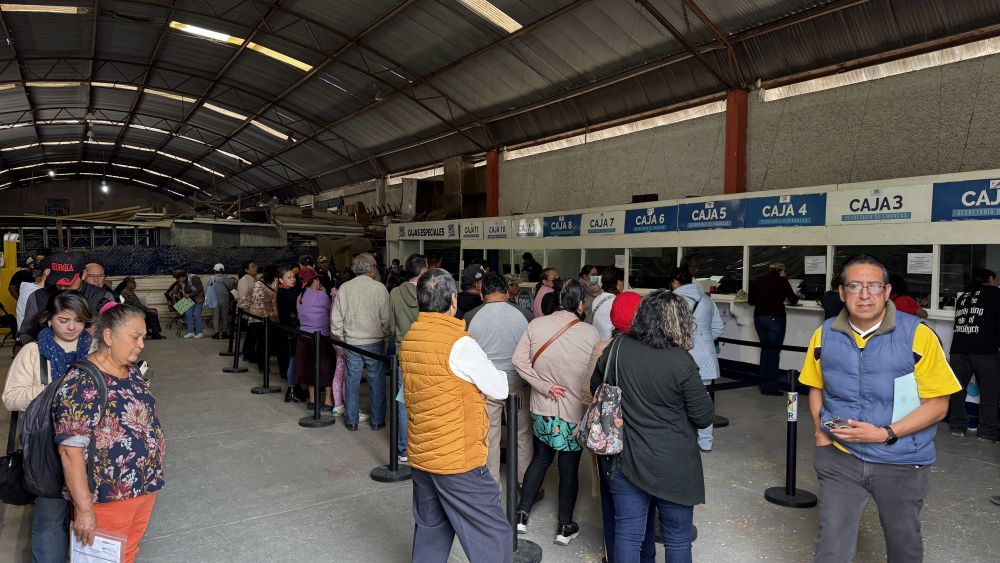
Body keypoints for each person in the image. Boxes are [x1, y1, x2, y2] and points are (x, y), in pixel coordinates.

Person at [798, 255, 960, 563]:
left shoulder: (918, 335)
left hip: (902, 460)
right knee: (831, 548)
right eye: (855, 286)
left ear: (887, 292)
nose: (864, 294)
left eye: (873, 286)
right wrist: (821, 434)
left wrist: (885, 433)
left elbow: (939, 405)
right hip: (840, 457)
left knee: (904, 546)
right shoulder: (825, 334)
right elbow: (815, 385)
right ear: (841, 293)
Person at [399, 268, 512, 563]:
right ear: (453, 301)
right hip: (456, 458)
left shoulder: (411, 337)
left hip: (423, 455)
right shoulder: (459, 344)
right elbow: (499, 387)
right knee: (493, 533)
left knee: (431, 529)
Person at [593, 290, 715, 563]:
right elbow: (704, 416)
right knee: (677, 538)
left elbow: (596, 389)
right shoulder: (680, 361)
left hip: (624, 458)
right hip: (673, 464)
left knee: (627, 534)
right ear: (679, 321)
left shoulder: (618, 347)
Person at [54, 303, 165, 563]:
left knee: (126, 553)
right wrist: (84, 509)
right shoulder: (83, 382)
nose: (141, 345)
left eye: (143, 338)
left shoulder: (133, 371)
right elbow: (70, 451)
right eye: (135, 337)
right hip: (107, 497)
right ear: (108, 337)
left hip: (142, 486)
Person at [2, 291, 93, 563]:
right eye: (63, 320)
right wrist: (51, 391)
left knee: (90, 512)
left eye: (78, 320)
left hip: (91, 446)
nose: (71, 327)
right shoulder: (32, 352)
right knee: (50, 518)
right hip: (48, 449)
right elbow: (10, 397)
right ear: (49, 320)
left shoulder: (96, 349)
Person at [513, 279, 600, 545]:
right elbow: (593, 376)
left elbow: (518, 360)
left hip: (543, 407)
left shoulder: (536, 325)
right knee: (569, 468)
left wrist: (544, 385)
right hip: (574, 412)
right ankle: (564, 527)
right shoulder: (590, 333)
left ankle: (521, 516)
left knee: (540, 459)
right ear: (580, 303)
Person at [582, 291, 652, 563]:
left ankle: (614, 554)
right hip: (645, 440)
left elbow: (589, 393)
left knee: (613, 504)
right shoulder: (655, 349)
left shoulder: (603, 348)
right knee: (646, 501)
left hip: (611, 438)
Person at [464, 272, 535, 489]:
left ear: (482, 293)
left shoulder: (469, 317)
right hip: (518, 382)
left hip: (486, 386)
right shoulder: (525, 315)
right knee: (522, 433)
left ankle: (491, 483)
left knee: (490, 434)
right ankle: (525, 481)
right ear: (506, 290)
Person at [330, 253, 391, 432]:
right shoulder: (380, 288)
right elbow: (386, 320)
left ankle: (351, 420)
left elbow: (336, 320)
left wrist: (342, 338)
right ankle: (378, 421)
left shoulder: (345, 288)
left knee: (351, 381)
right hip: (375, 342)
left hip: (352, 343)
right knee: (377, 382)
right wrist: (386, 336)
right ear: (372, 268)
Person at [670, 267, 725, 452]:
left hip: (681, 356)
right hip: (706, 358)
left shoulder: (673, 301)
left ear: (675, 282)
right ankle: (706, 441)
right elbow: (718, 327)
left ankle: (682, 439)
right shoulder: (707, 300)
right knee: (704, 399)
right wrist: (705, 340)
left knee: (677, 397)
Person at [948, 268, 1000, 442]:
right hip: (985, 350)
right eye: (995, 279)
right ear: (990, 279)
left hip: (959, 348)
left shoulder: (963, 297)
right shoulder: (995, 293)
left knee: (957, 390)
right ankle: (987, 432)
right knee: (989, 393)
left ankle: (957, 427)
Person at [18, 253, 113, 346]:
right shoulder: (38, 297)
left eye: (68, 282)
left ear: (83, 274)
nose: (63, 287)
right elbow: (26, 333)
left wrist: (94, 335)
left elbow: (115, 332)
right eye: (58, 281)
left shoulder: (102, 297)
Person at [389, 254, 427, 461]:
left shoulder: (394, 293)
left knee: (403, 400)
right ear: (422, 271)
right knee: (426, 399)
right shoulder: (428, 292)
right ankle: (424, 444)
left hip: (402, 351)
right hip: (424, 352)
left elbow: (388, 322)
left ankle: (404, 448)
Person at [748, 262, 802, 395]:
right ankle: (771, 388)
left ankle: (763, 385)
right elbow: (793, 299)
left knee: (765, 351)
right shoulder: (782, 281)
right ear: (781, 271)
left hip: (759, 318)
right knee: (773, 353)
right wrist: (799, 295)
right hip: (775, 319)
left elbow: (751, 301)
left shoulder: (758, 280)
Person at [296, 268, 342, 412]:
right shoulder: (322, 296)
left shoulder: (300, 297)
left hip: (304, 337)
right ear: (314, 280)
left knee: (310, 368)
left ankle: (312, 400)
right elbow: (331, 312)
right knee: (326, 368)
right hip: (322, 337)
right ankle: (328, 400)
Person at [245, 265, 278, 374]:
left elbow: (245, 302)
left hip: (255, 318)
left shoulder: (256, 284)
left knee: (260, 343)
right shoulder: (277, 283)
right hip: (270, 318)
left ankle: (262, 366)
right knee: (267, 344)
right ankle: (265, 366)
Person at [275, 265, 300, 401]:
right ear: (281, 280)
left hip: (293, 330)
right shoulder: (284, 293)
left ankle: (295, 388)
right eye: (289, 277)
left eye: (293, 276)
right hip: (290, 331)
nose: (293, 279)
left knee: (294, 359)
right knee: (292, 359)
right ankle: (291, 389)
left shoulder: (291, 290)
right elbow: (288, 313)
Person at [591, 266, 625, 340]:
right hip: (610, 344)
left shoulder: (596, 299)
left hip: (596, 343)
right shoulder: (617, 301)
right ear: (619, 282)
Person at [172, 269, 205, 338]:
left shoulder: (194, 278)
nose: (177, 280)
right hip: (189, 299)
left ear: (182, 276)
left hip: (199, 298)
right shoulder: (181, 281)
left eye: (178, 278)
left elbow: (200, 289)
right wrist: (174, 293)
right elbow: (178, 287)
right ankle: (191, 332)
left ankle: (199, 332)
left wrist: (189, 295)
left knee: (196, 314)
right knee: (188, 314)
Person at [237, 261, 259, 363]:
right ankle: (249, 354)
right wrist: (251, 308)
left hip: (256, 311)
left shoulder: (255, 279)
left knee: (251, 334)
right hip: (249, 311)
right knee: (252, 333)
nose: (255, 268)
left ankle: (248, 354)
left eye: (255, 266)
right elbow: (243, 298)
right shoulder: (244, 280)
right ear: (246, 270)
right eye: (252, 266)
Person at [207, 263, 235, 339]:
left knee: (215, 316)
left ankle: (216, 333)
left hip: (215, 299)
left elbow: (207, 289)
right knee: (224, 316)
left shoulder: (211, 278)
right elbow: (231, 288)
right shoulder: (227, 278)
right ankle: (224, 333)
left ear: (215, 271)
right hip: (225, 299)